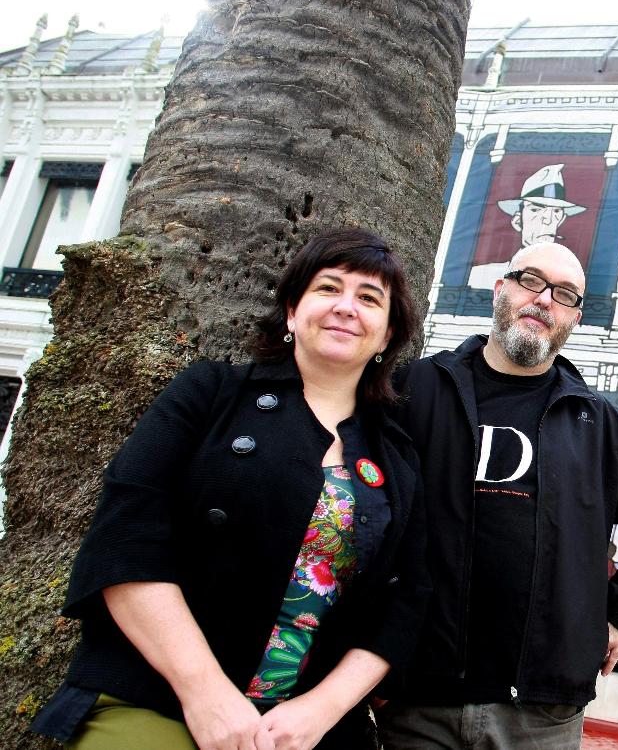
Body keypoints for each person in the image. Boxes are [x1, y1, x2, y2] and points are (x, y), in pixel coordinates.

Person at [32, 229, 429, 750]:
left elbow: (405, 601)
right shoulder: (209, 393)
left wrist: (321, 710)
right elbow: (126, 539)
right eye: (328, 288)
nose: (346, 307)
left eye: (369, 298)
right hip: (157, 697)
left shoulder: (396, 455)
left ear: (386, 336)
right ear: (293, 312)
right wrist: (204, 692)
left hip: (308, 729)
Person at [381, 242, 618, 749]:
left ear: (574, 317)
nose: (545, 299)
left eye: (565, 294)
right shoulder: (414, 390)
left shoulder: (598, 424)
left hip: (542, 716)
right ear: (500, 288)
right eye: (531, 281)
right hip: (419, 698)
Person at [467, 163, 586, 289]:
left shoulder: (569, 286)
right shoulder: (482, 277)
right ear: (518, 221)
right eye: (536, 209)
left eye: (556, 211)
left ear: (561, 220)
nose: (548, 220)